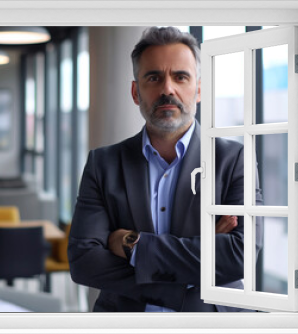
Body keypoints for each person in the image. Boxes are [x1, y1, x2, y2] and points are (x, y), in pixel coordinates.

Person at [68, 26, 263, 312]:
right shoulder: (103, 163)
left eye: (180, 77)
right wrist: (181, 286)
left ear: (198, 90)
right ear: (136, 92)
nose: (167, 89)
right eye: (153, 77)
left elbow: (240, 256)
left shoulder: (234, 159)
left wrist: (132, 244)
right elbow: (84, 263)